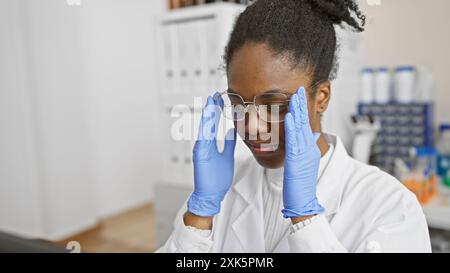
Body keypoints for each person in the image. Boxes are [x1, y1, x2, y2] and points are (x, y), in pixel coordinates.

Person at [157, 0, 431, 253]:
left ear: (321, 97)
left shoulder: (390, 205)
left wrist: (306, 219)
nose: (252, 126)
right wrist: (199, 216)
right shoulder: (221, 189)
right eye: (238, 104)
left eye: (274, 104)